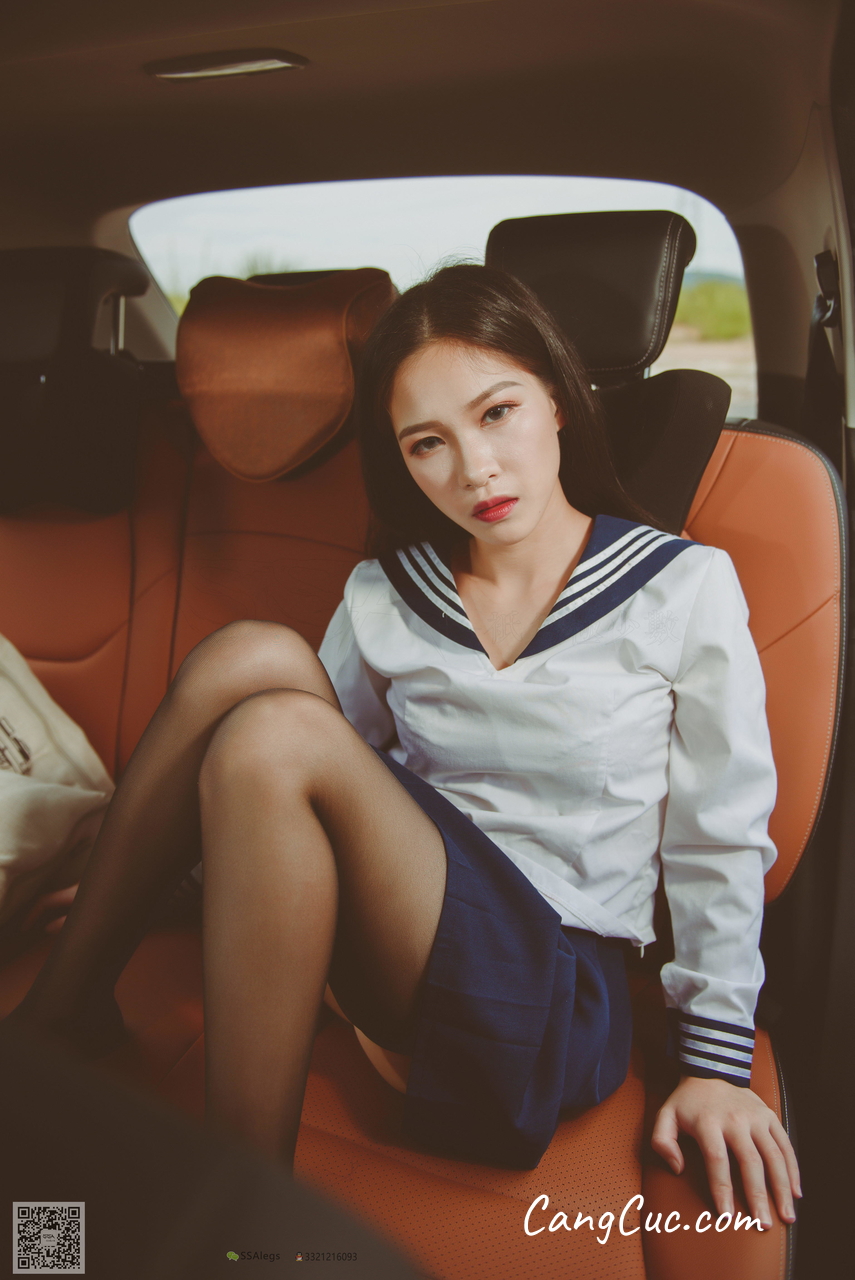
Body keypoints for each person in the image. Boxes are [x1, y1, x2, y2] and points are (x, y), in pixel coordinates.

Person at [5, 264, 800, 1230]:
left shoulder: (681, 586)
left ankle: (239, 1215)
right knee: (251, 658)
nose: (474, 469)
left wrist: (715, 1065)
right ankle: (64, 1013)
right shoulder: (387, 590)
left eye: (497, 413)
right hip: (394, 961)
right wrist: (169, 883)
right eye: (428, 443)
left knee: (279, 726)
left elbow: (719, 836)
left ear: (556, 398)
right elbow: (295, 793)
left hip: (543, 998)